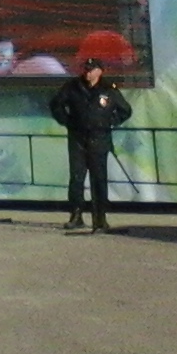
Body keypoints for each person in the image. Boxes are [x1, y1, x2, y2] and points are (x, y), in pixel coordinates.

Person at [50, 58, 132, 231]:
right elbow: (56, 105)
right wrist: (66, 121)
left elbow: (125, 110)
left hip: (99, 138)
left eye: (91, 70)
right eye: (86, 70)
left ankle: (100, 218)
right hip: (78, 137)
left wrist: (109, 122)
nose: (87, 73)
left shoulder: (109, 89)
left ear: (99, 71)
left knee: (99, 179)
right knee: (77, 178)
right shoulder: (73, 86)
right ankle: (76, 215)